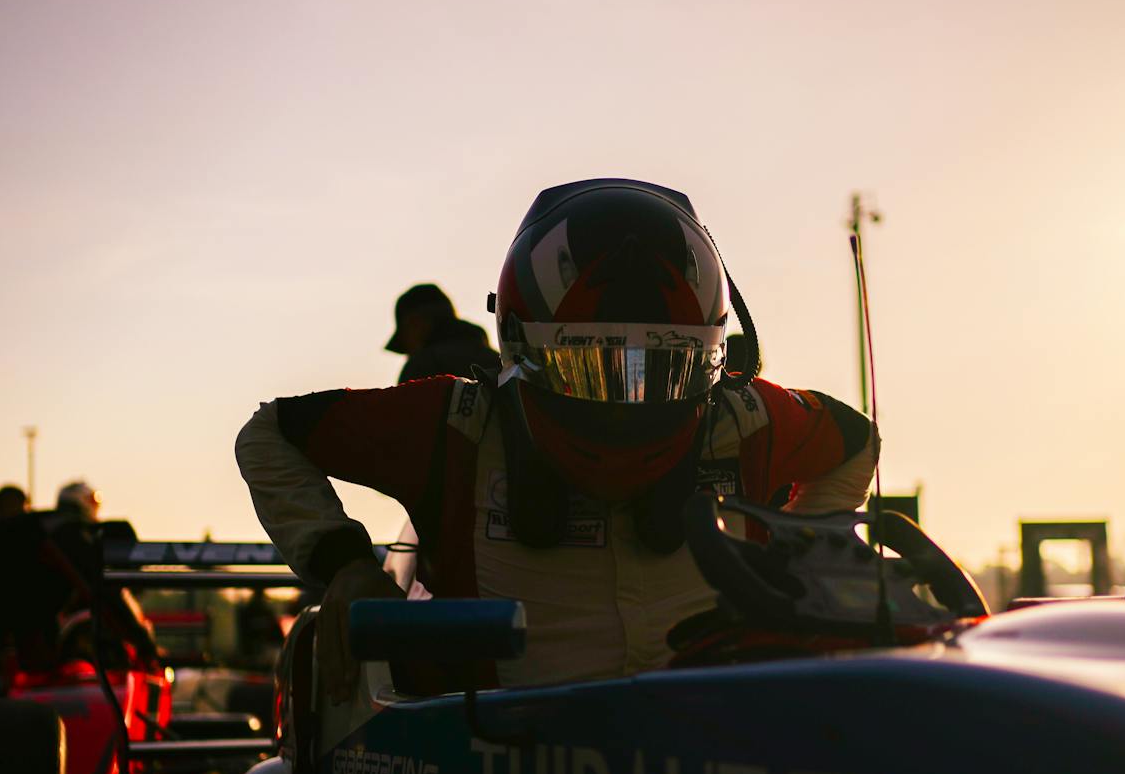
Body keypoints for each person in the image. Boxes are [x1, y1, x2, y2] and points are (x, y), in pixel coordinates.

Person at [238, 177, 878, 697]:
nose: (630, 401)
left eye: (663, 368)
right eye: (593, 366)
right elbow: (269, 432)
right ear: (519, 349)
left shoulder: (745, 421)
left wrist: (801, 560)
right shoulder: (457, 426)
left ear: (710, 357)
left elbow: (857, 442)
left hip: (716, 772)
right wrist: (344, 565)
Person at [387, 282, 500, 383]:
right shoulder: (502, 364)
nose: (407, 354)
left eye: (404, 338)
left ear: (416, 324)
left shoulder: (421, 367)